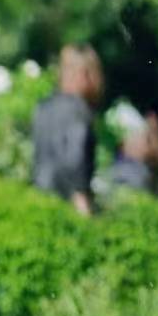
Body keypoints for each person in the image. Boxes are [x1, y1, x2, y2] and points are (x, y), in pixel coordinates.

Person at [32, 43, 103, 214]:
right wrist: (81, 198)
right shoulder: (79, 109)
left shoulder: (44, 107)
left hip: (40, 197)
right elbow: (75, 156)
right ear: (85, 74)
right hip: (68, 203)